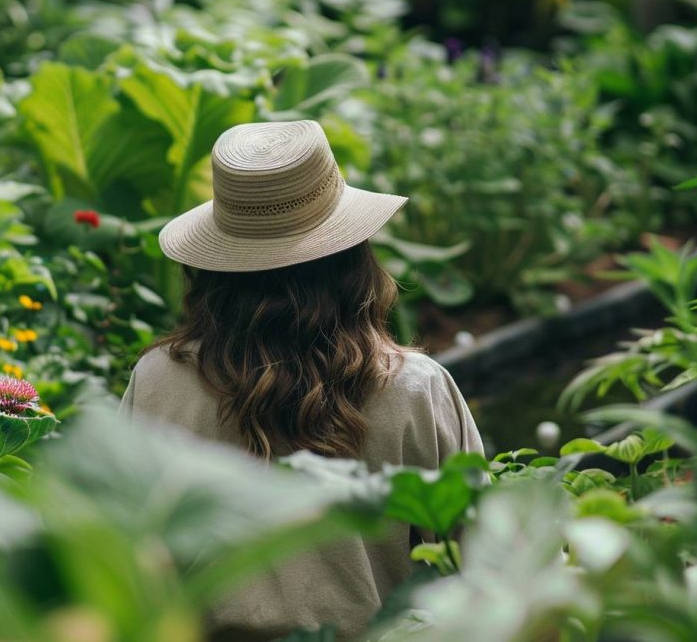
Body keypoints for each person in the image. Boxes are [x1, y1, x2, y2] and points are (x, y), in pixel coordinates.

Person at [119, 119, 483, 640]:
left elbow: (124, 560)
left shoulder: (158, 381)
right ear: (352, 252)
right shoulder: (415, 388)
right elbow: (484, 565)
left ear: (215, 263)